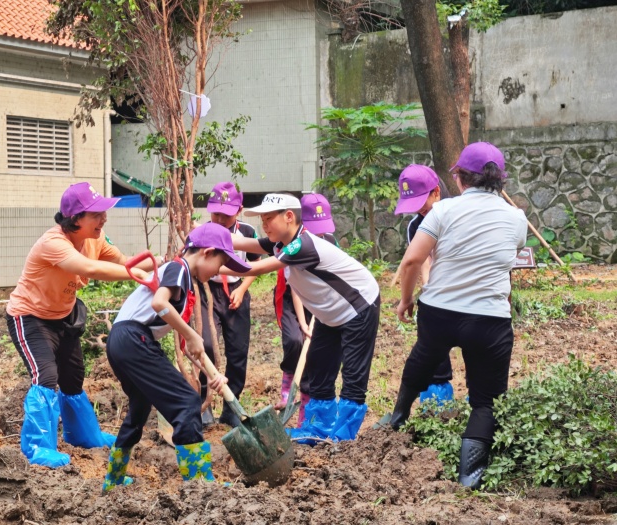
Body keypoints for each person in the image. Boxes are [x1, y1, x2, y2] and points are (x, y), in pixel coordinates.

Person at [384, 142, 526, 489]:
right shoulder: (516, 217)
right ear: (498, 181)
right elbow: (510, 255)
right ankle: (469, 476)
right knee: (484, 400)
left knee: (422, 357)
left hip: (440, 313)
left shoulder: (443, 211)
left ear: (460, 178)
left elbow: (414, 260)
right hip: (490, 321)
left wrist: (405, 300)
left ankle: (396, 418)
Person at [6, 182, 154, 468]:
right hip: (31, 318)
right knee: (46, 376)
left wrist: (165, 261)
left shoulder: (96, 239)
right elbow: (88, 268)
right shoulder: (54, 243)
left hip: (64, 317)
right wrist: (136, 275)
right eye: (97, 213)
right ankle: (38, 448)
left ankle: (84, 435)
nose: (104, 218)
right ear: (76, 219)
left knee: (73, 378)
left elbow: (124, 261)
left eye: (104, 212)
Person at [101, 223, 250, 491]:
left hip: (124, 341)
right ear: (207, 252)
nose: (219, 271)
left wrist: (211, 374)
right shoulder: (179, 268)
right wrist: (192, 333)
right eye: (220, 263)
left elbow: (189, 347)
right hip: (134, 338)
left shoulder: (184, 281)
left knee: (139, 408)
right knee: (187, 403)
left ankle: (113, 479)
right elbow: (159, 303)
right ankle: (200, 486)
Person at [224, 193, 381, 443]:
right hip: (329, 314)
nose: (264, 225)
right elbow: (246, 244)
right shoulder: (281, 242)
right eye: (262, 220)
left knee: (352, 373)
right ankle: (318, 429)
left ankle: (342, 439)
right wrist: (208, 237)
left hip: (358, 307)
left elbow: (257, 267)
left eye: (268, 219)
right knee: (319, 367)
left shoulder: (302, 245)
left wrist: (213, 267)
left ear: (289, 217)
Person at [198, 182, 261, 428]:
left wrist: (243, 289)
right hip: (208, 291)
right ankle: (204, 402)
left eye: (227, 213)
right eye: (216, 213)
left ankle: (231, 406)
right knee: (205, 344)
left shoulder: (246, 231)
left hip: (237, 291)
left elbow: (256, 265)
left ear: (239, 210)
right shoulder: (203, 232)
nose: (221, 218)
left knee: (238, 351)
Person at [272, 193, 338, 427]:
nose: (319, 234)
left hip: (319, 300)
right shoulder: (293, 244)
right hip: (294, 297)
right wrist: (302, 322)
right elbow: (296, 287)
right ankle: (288, 386)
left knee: (315, 355)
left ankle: (306, 414)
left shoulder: (328, 241)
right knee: (295, 341)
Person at [394, 165, 455, 406]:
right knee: (432, 338)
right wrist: (430, 292)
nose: (420, 209)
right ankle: (437, 396)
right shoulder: (415, 225)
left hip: (464, 286)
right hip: (441, 287)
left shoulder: (456, 214)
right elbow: (423, 262)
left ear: (436, 192)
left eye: (422, 201)